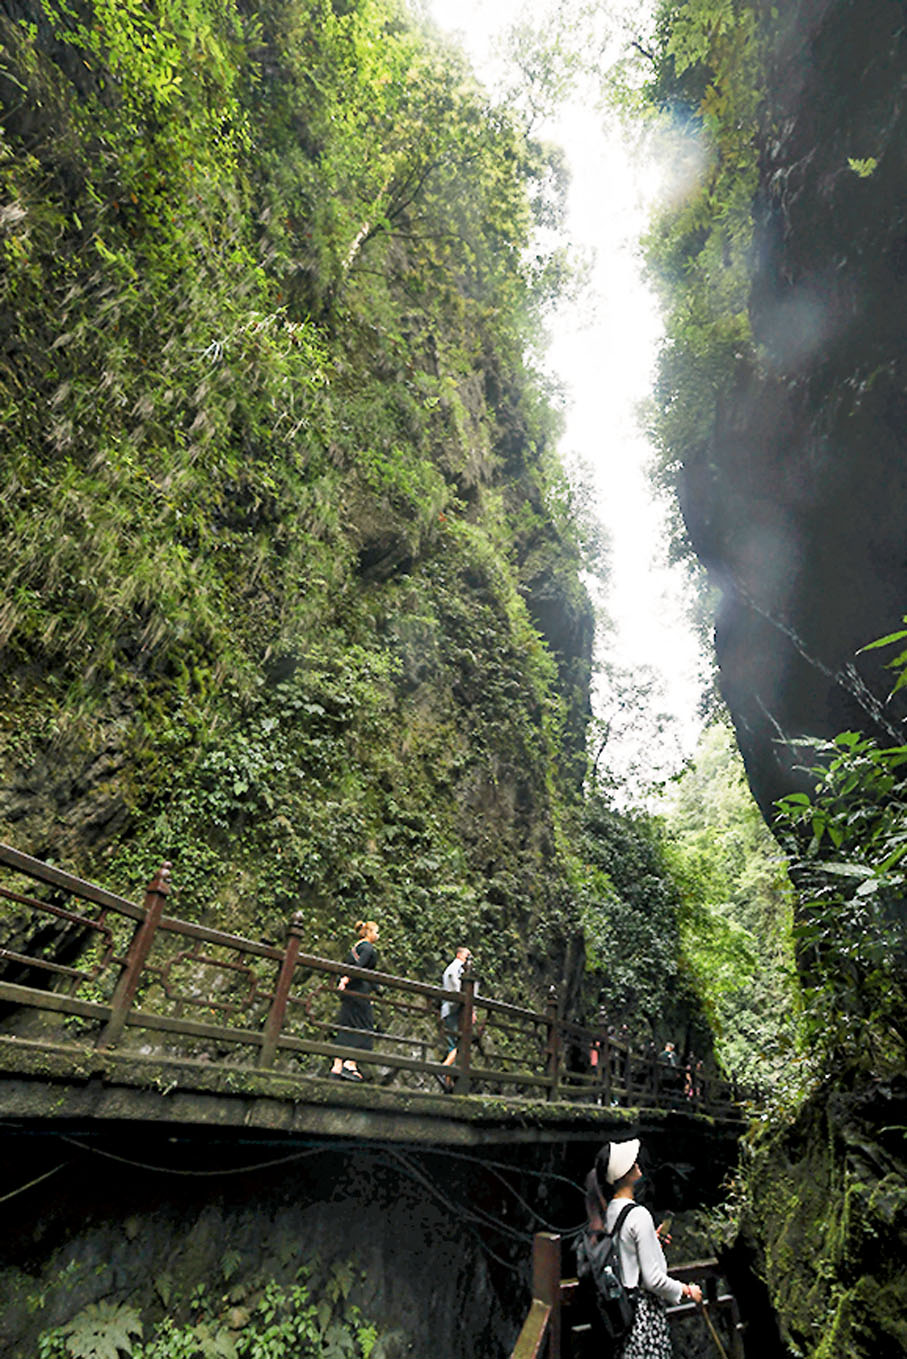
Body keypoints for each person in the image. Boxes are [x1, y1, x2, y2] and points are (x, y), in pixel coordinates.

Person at [576, 1137, 702, 1358]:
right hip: (644, 1317)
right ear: (623, 1175)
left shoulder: (611, 1211)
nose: (637, 1165)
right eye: (632, 1164)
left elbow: (623, 1251)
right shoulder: (639, 1215)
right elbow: (653, 1280)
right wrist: (687, 1290)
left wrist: (651, 1241)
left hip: (623, 1315)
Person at [330, 920, 379, 1081]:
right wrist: (346, 979)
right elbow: (360, 967)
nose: (378, 936)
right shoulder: (367, 948)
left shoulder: (354, 948)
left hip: (350, 992)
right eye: (376, 932)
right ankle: (350, 1063)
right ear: (369, 933)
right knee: (365, 1026)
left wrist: (344, 980)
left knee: (346, 1025)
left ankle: (337, 1066)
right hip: (359, 991)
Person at [439, 946, 475, 1089]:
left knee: (451, 1044)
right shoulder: (458, 967)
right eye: (468, 955)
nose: (469, 959)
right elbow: (457, 985)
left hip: (447, 1009)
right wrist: (469, 1008)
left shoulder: (449, 968)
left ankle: (448, 1079)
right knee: (459, 1043)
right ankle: (444, 1069)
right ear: (460, 955)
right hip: (456, 1009)